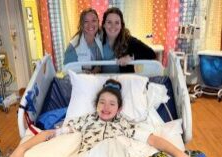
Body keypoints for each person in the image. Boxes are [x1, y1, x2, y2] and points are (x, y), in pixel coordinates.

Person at [11, 79, 190, 157]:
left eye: (112, 104)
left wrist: (178, 154)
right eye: (102, 102)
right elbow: (50, 134)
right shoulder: (84, 121)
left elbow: (153, 140)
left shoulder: (124, 124)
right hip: (88, 154)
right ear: (96, 105)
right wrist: (22, 149)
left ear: (119, 109)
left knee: (115, 145)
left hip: (113, 152)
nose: (106, 107)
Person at [101, 7, 156, 73]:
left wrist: (131, 57)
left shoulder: (128, 40)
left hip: (124, 80)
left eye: (117, 23)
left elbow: (151, 54)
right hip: (102, 79)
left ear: (121, 26)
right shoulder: (98, 40)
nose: (113, 26)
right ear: (104, 24)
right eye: (109, 22)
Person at [63, 8, 103, 73]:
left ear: (98, 22)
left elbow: (99, 62)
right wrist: (83, 71)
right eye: (86, 21)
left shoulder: (100, 37)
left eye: (94, 20)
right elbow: (66, 69)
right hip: (80, 78)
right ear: (81, 24)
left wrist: (95, 71)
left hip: (96, 76)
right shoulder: (73, 45)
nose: (90, 24)